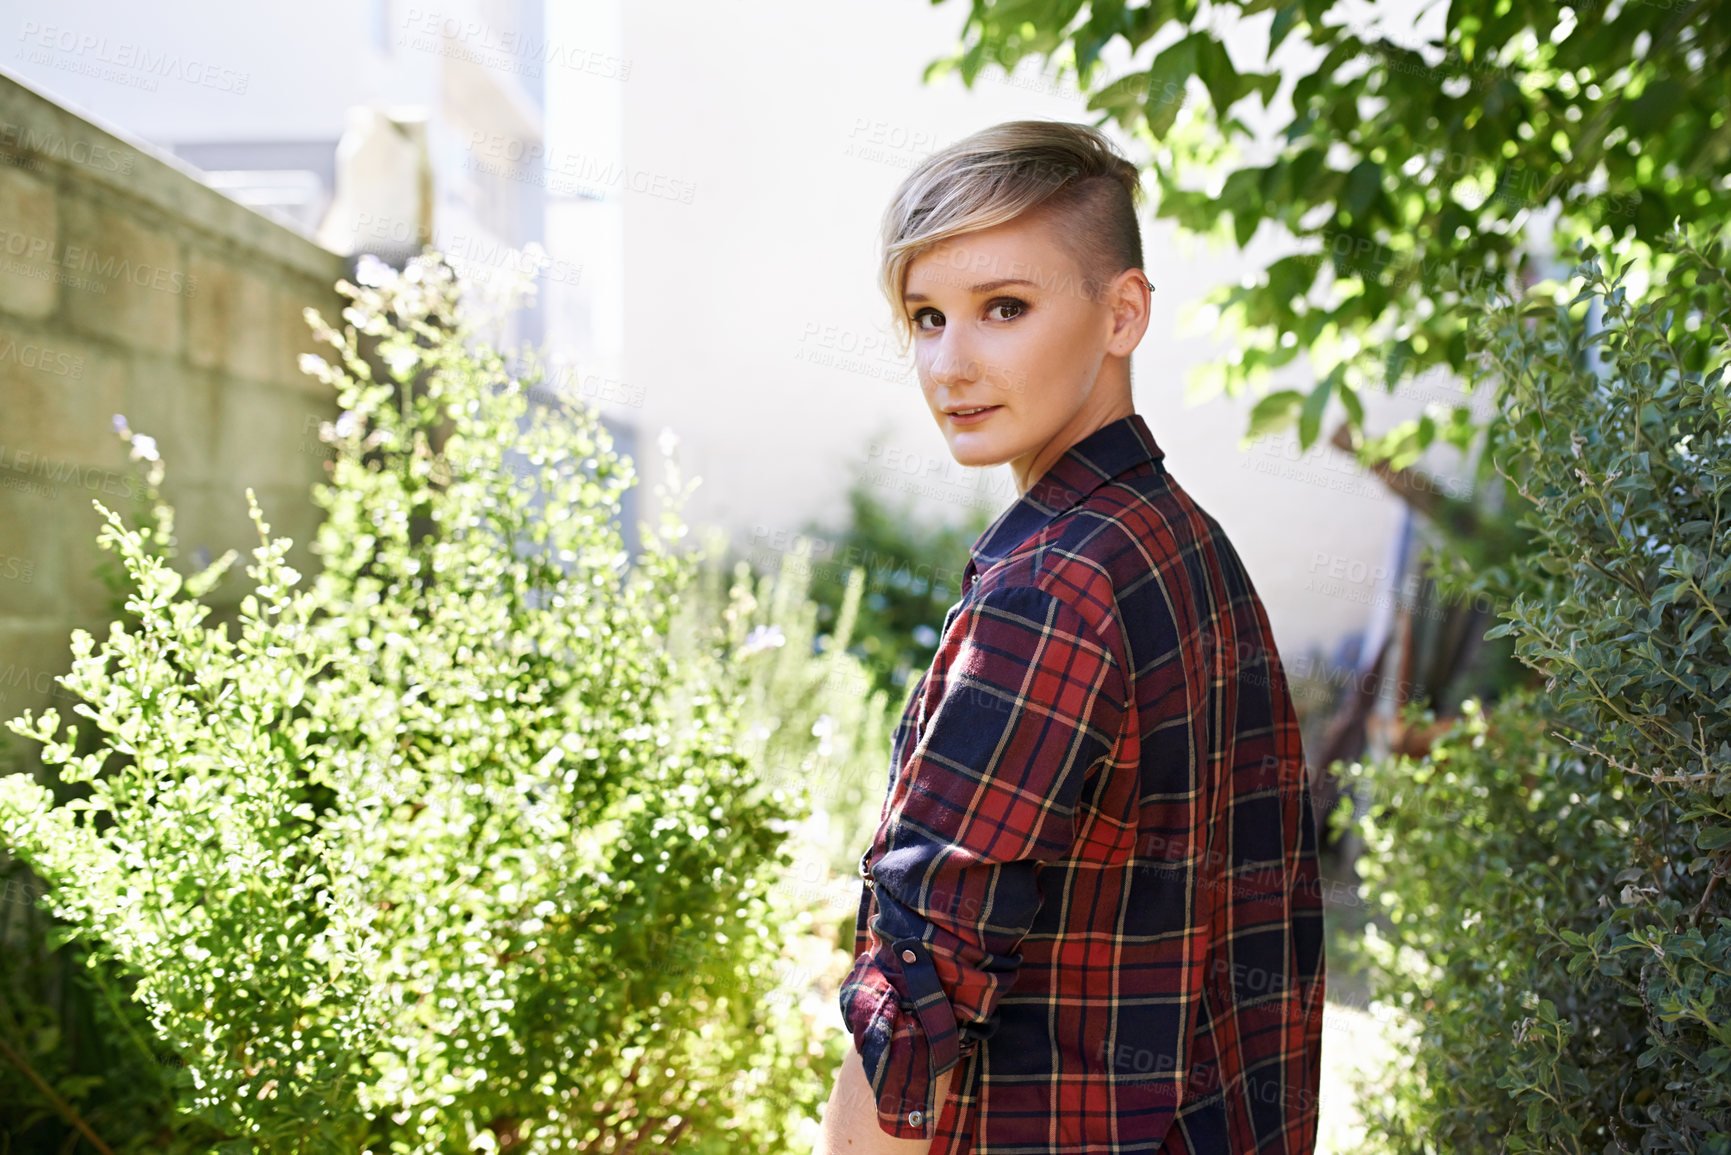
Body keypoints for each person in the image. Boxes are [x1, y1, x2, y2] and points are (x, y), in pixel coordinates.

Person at [812, 120, 1326, 1154]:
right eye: (925, 316)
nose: (950, 363)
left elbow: (922, 988)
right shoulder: (1180, 539)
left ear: (1122, 311)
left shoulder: (1050, 587)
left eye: (1004, 308)